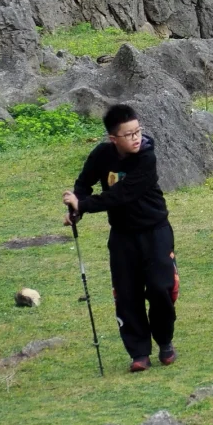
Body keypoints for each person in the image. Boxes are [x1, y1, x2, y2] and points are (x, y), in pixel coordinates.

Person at [62, 104, 178, 374]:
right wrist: (74, 209)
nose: (136, 138)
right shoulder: (103, 154)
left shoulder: (147, 159)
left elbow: (121, 195)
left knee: (161, 289)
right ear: (113, 138)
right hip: (122, 236)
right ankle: (139, 352)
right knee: (127, 294)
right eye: (129, 134)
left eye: (138, 131)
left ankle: (164, 341)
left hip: (155, 232)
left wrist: (83, 205)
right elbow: (84, 183)